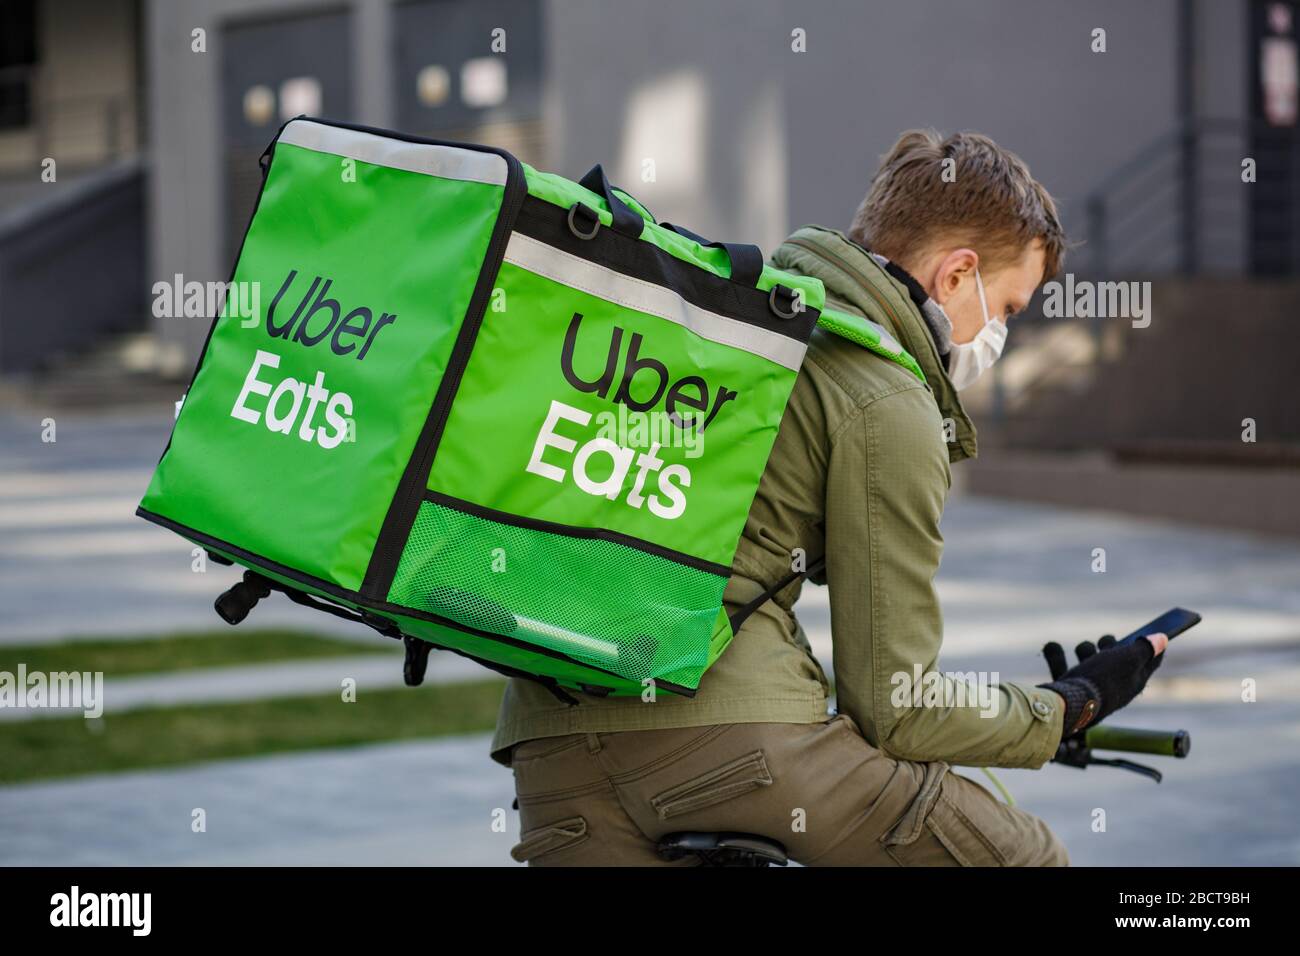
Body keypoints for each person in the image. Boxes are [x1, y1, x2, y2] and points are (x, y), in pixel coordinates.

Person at [490, 129, 1169, 866]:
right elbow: (899, 709)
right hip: (732, 745)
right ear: (956, 275)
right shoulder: (887, 398)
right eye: (1005, 307)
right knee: (1026, 856)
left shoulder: (748, 327)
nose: (998, 332)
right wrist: (1066, 708)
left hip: (551, 753)